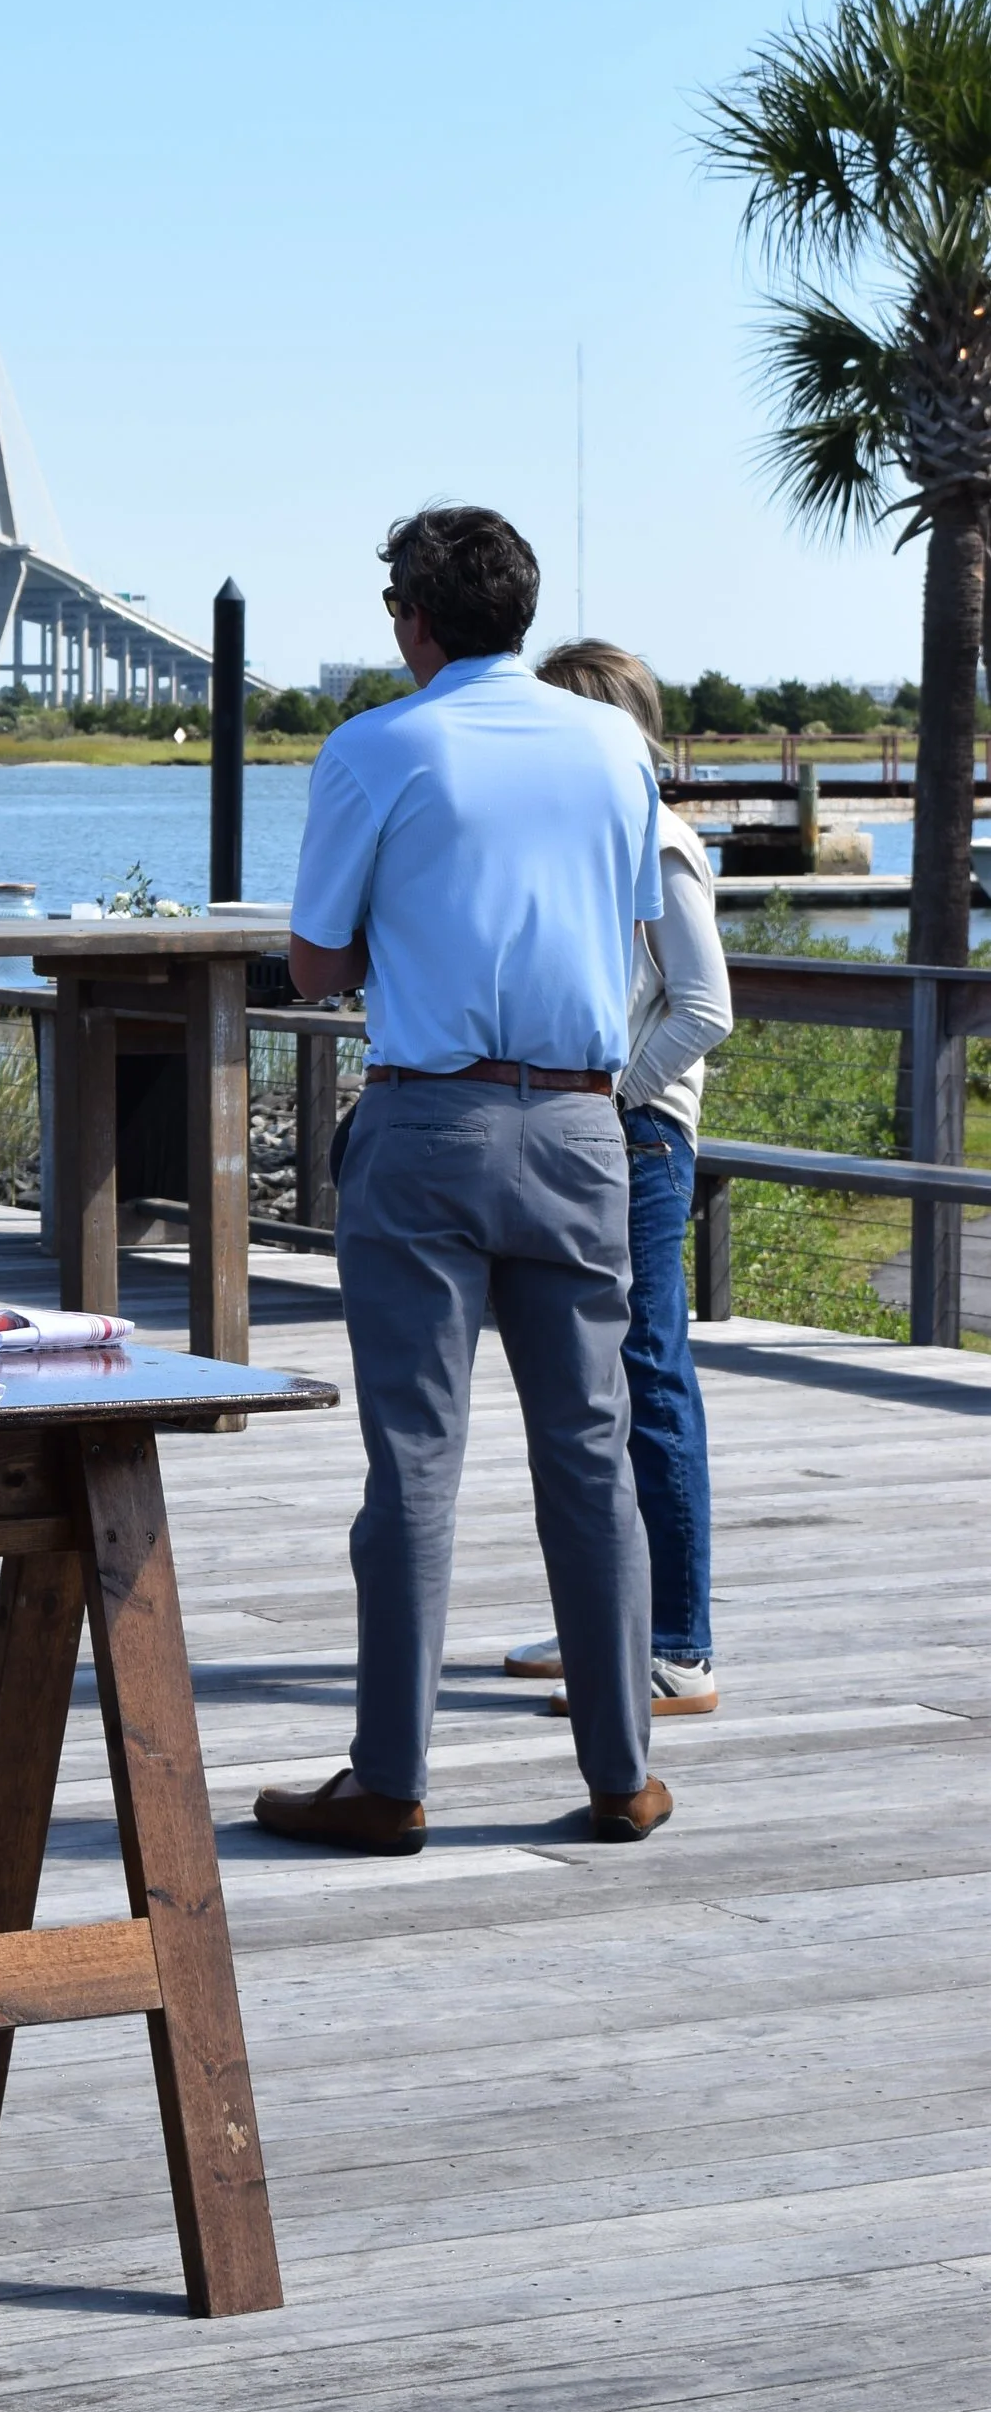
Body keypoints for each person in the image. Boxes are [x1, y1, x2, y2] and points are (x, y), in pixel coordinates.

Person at [257, 502, 674, 1857]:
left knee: (417, 1463)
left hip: (430, 1124)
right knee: (591, 1451)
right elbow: (629, 918)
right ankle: (622, 1770)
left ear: (414, 619)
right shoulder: (615, 741)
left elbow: (317, 965)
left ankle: (392, 1776)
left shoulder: (379, 744)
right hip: (579, 1123)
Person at [505, 641, 731, 1715]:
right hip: (584, 1133)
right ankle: (605, 1622)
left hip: (637, 1140)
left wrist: (619, 1097)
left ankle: (677, 1647)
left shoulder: (664, 846)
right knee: (583, 1388)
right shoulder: (593, 843)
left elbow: (705, 1009)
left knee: (649, 1376)